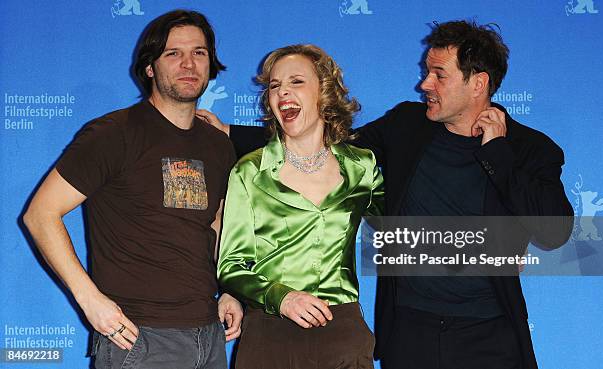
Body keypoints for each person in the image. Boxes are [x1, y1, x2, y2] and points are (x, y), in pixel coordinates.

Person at [201, 20, 573, 369]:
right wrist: (233, 134)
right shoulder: (408, 125)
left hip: (489, 331)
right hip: (411, 330)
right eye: (427, 72)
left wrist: (498, 154)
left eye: (439, 75)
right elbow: (329, 144)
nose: (424, 84)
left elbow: (554, 233)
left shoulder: (530, 149)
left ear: (478, 83)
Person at [23, 10, 242, 369]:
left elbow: (214, 226)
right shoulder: (114, 133)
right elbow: (40, 215)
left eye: (199, 52)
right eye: (173, 53)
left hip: (209, 335)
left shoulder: (218, 145)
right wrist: (89, 299)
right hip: (139, 338)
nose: (189, 63)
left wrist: (227, 287)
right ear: (150, 67)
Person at [216, 44, 383, 368]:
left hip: (342, 337)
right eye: (275, 86)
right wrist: (282, 297)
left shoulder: (361, 166)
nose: (282, 93)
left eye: (296, 82)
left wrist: (489, 247)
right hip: (269, 336)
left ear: (324, 91)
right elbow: (232, 267)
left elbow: (399, 233)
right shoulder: (250, 171)